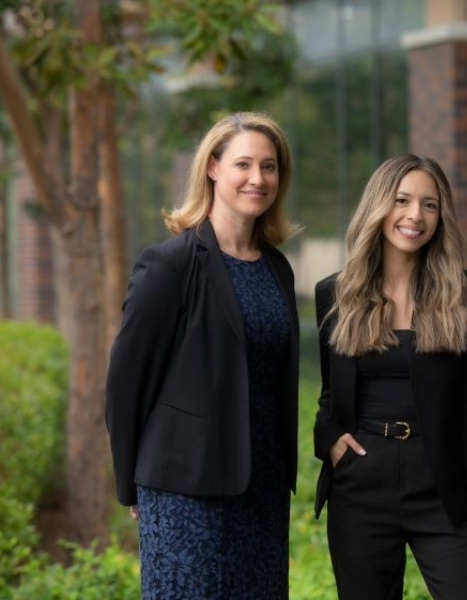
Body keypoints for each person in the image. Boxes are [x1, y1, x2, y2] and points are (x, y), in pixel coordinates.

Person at [106, 111, 300, 600]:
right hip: (185, 492)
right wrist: (131, 484)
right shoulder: (169, 265)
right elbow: (126, 385)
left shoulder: (278, 269)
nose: (258, 179)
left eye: (270, 167)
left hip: (261, 488)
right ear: (212, 168)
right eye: (244, 164)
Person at [313, 153, 467, 600]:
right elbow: (331, 397)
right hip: (362, 480)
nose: (415, 216)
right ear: (379, 205)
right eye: (402, 200)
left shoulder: (464, 293)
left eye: (430, 205)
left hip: (441, 483)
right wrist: (331, 440)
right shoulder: (335, 295)